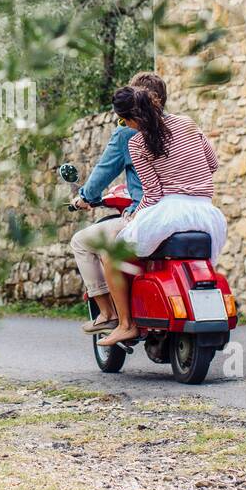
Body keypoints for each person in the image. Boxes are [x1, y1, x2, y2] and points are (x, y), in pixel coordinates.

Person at [97, 86, 227, 348]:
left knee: (111, 255)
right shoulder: (188, 123)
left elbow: (153, 194)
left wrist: (134, 215)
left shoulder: (137, 143)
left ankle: (126, 325)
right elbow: (212, 164)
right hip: (207, 214)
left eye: (123, 121)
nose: (125, 126)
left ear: (130, 119)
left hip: (168, 214)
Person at [69, 72, 168, 334]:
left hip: (143, 212)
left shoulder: (127, 135)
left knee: (80, 242)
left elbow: (103, 172)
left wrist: (85, 197)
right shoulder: (177, 126)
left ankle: (108, 314)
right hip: (181, 212)